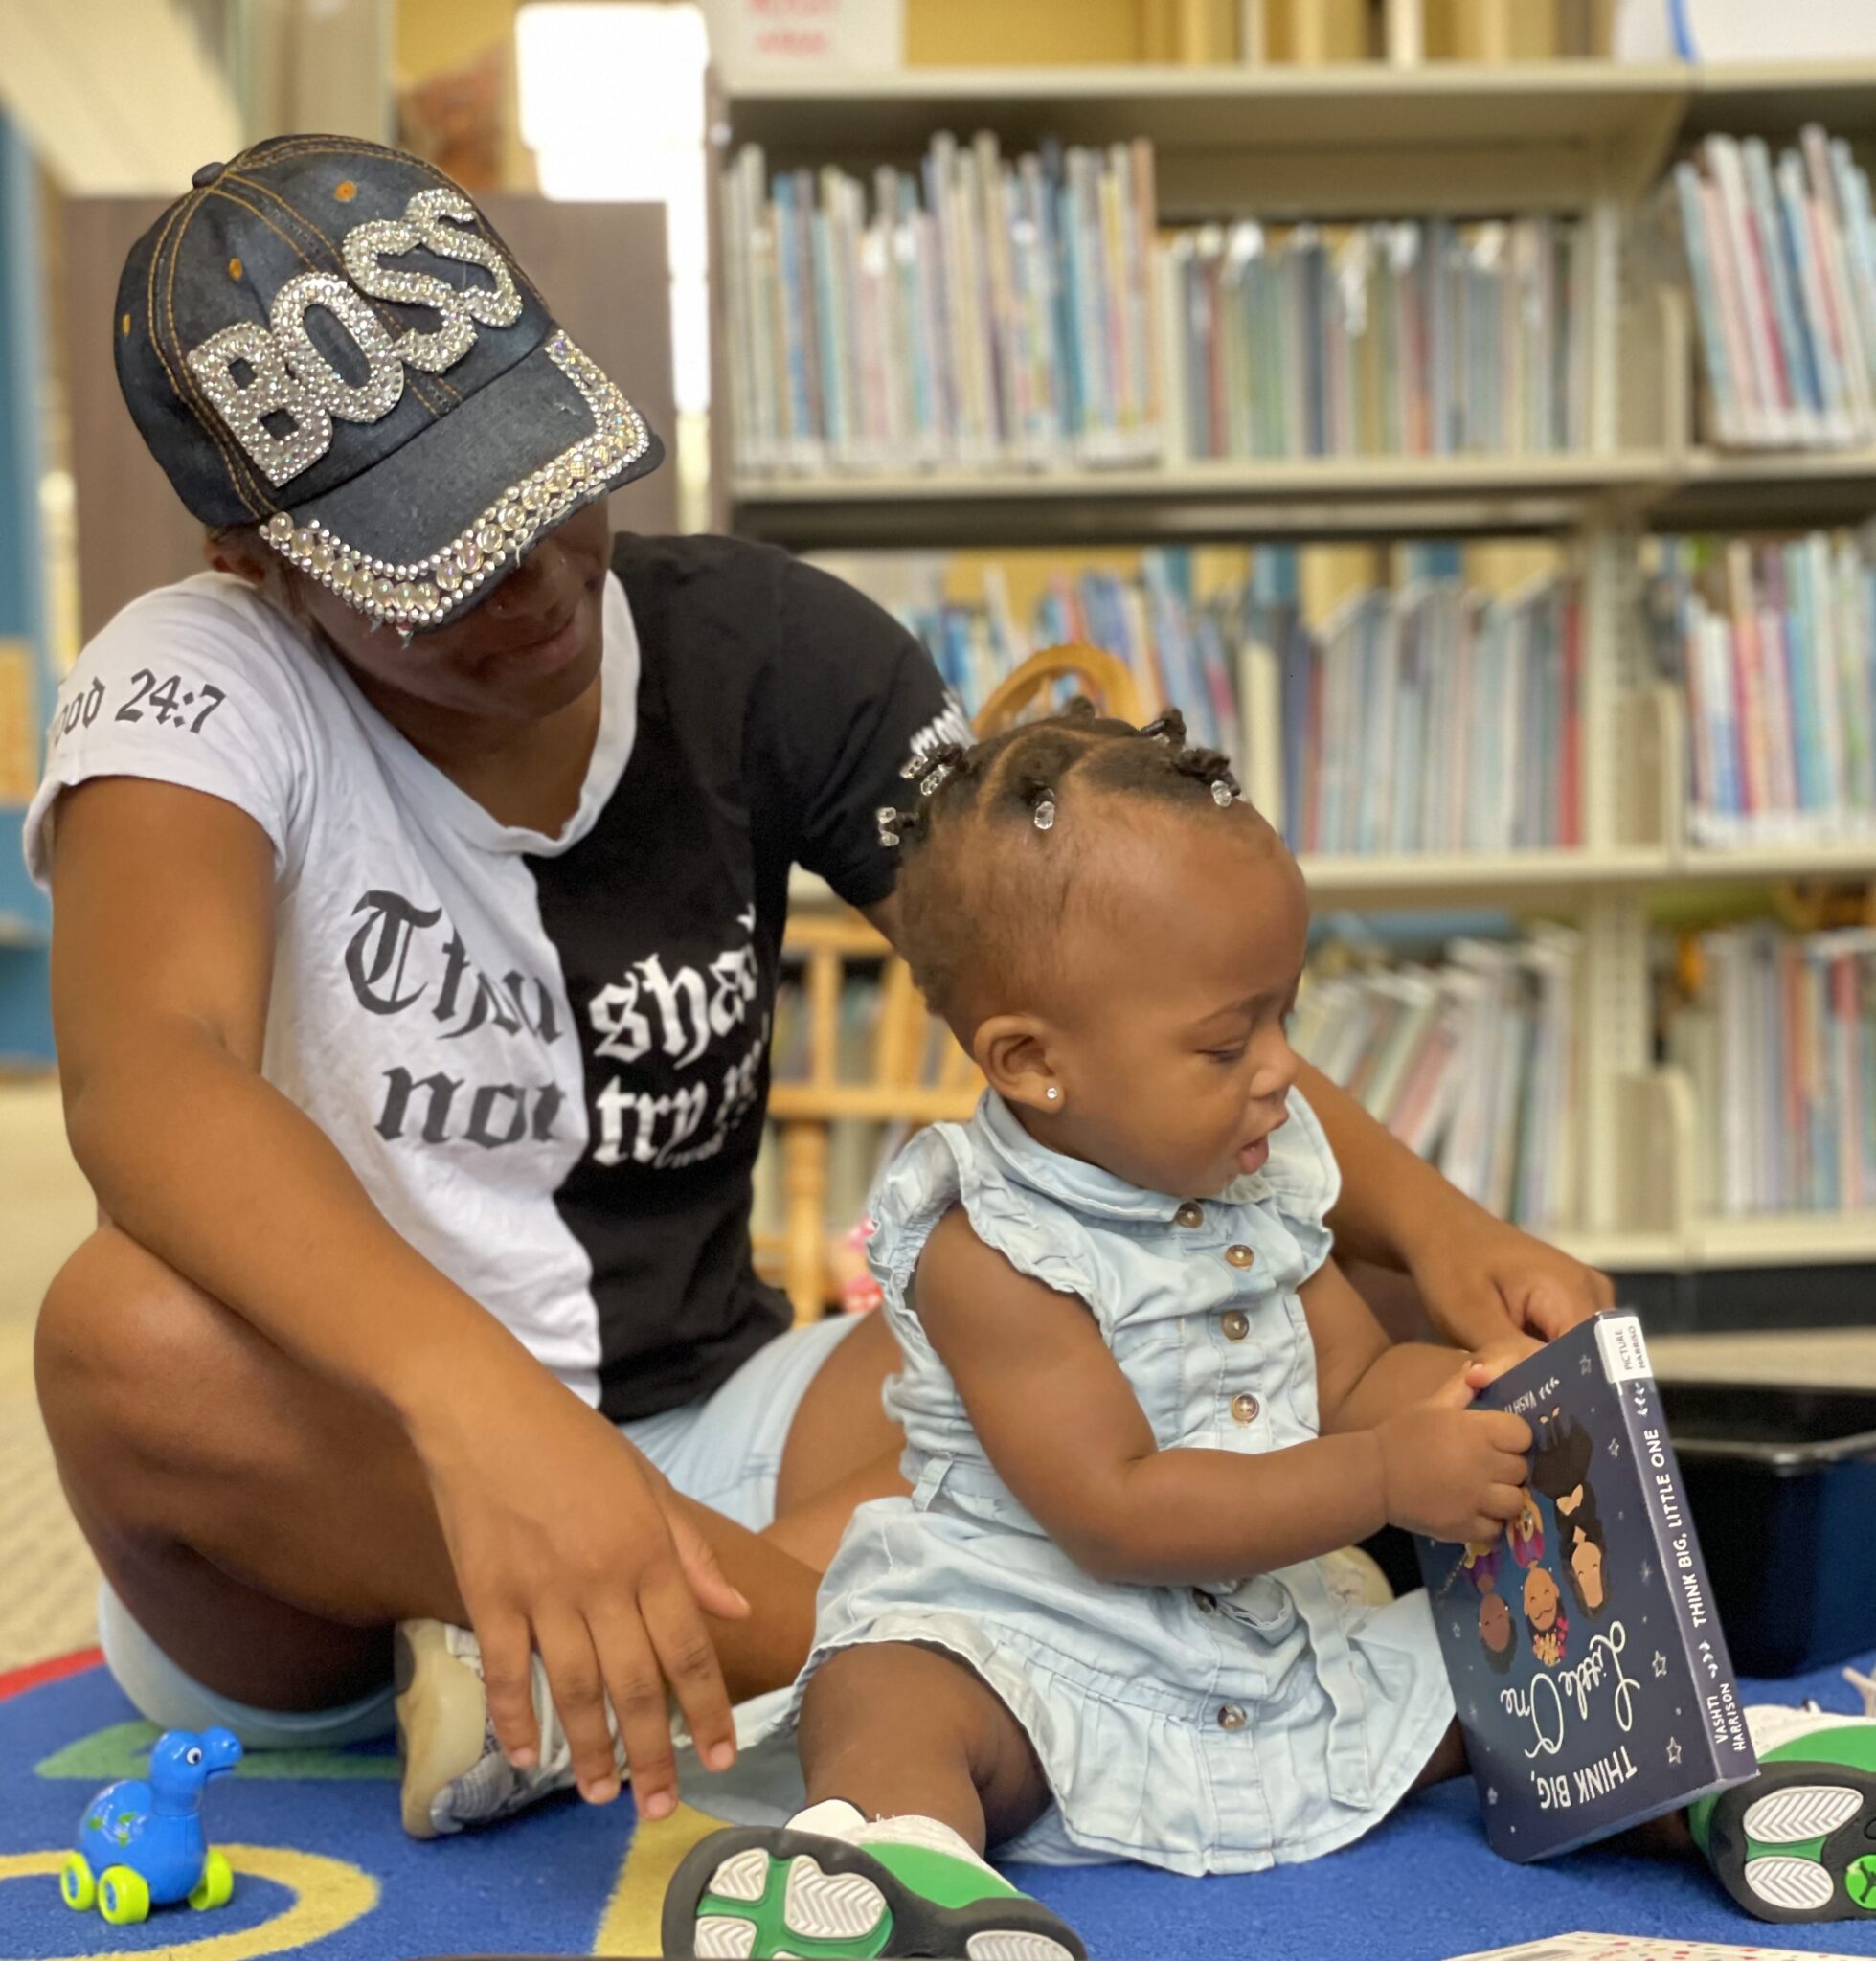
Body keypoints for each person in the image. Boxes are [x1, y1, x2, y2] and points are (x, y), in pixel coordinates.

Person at [29, 136, 1612, 1848]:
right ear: (254, 553)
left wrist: (1441, 1227)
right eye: (438, 564)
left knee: (1245, 1266)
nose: (539, 583)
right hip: (357, 1494)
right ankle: (1018, 1670)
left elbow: (1117, 996)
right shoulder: (192, 681)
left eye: (547, 486)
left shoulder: (762, 644)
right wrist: (485, 1417)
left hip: (736, 1421)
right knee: (126, 1338)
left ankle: (643, 1672)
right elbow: (148, 1084)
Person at [659, 708, 1876, 1958]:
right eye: (1227, 1039)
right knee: (886, 1684)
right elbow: (1118, 1511)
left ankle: (1704, 1781)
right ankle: (895, 1866)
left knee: (1489, 1644)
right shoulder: (986, 1251)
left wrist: (1469, 1400)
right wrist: (1390, 1476)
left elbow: (1343, 1376)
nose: (1284, 1071)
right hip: (1047, 1641)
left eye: (1286, 1016)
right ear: (1030, 1063)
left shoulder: (1257, 1178)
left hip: (1266, 1637)